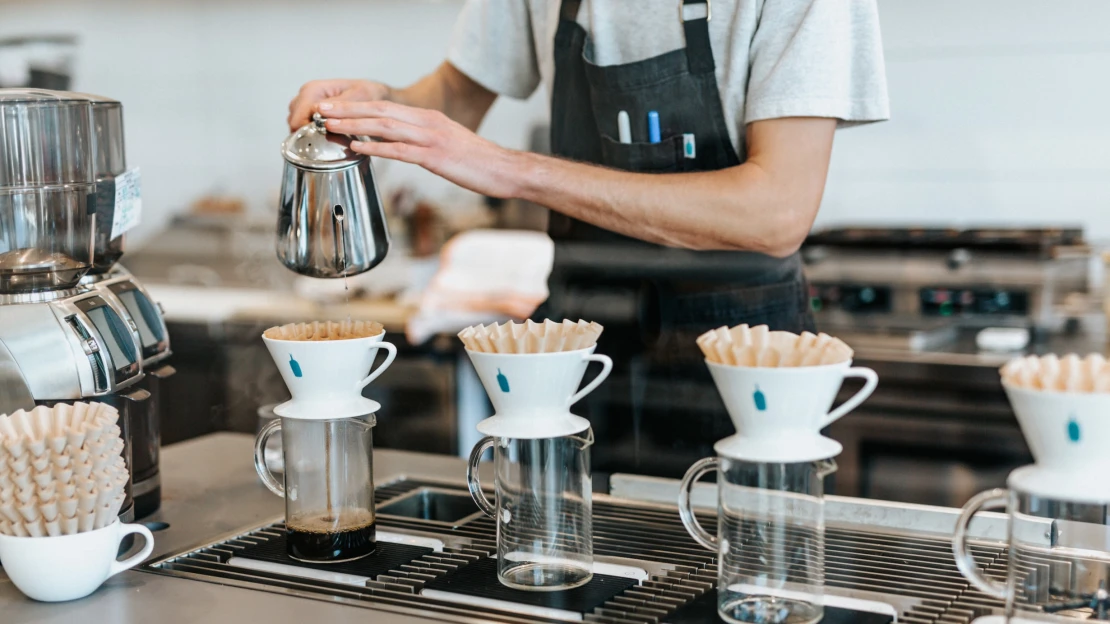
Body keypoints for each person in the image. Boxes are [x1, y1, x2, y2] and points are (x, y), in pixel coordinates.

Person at [289, 0, 889, 477]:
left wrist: (512, 170)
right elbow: (457, 93)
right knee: (566, 567)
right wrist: (381, 104)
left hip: (742, 357)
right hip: (578, 347)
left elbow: (775, 213)